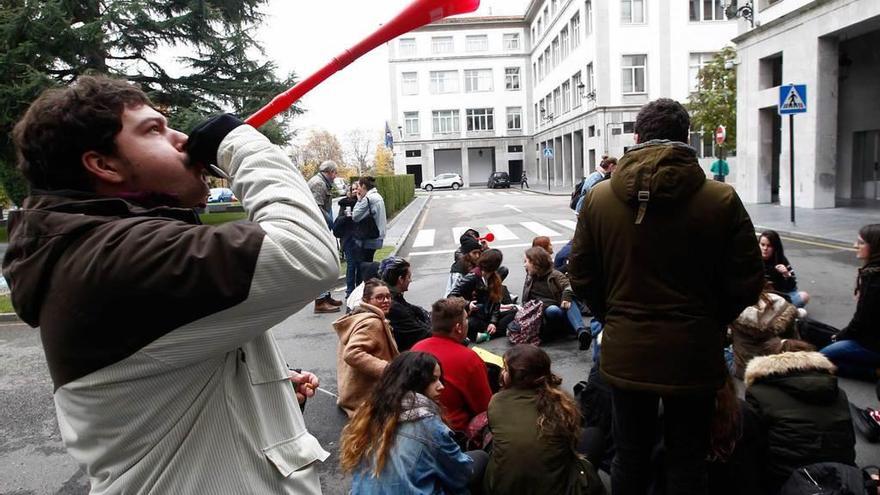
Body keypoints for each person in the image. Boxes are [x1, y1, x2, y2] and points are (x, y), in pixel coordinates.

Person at [3, 75, 339, 493]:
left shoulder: (99, 251)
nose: (182, 139)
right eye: (153, 130)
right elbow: (305, 252)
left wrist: (263, 390)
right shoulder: (119, 259)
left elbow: (164, 379)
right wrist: (240, 142)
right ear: (103, 165)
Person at [568, 97, 764, 494]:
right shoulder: (720, 199)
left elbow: (581, 275)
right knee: (687, 458)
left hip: (626, 351)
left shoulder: (600, 199)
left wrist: (615, 314)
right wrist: (711, 318)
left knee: (629, 453)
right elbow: (747, 276)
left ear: (637, 137)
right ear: (686, 138)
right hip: (694, 353)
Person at [340, 351, 487, 494]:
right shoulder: (428, 424)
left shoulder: (372, 412)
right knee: (480, 458)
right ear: (414, 382)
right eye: (433, 380)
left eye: (440, 379)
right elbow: (461, 474)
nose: (441, 386)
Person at [484, 344, 605, 495]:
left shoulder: (496, 401)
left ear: (515, 377)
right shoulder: (562, 405)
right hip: (556, 488)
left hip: (502, 488)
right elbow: (569, 449)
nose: (502, 372)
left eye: (506, 369)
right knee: (594, 435)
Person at [744, 351, 856, 493]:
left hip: (786, 476)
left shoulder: (757, 392)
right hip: (840, 473)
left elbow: (754, 441)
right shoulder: (838, 392)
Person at [411, 297, 492, 434]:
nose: (468, 322)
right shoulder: (469, 359)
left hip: (418, 425)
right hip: (454, 432)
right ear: (458, 328)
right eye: (466, 319)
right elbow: (484, 407)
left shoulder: (416, 348)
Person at [820, 224, 880, 380]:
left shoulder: (874, 280)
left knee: (820, 360)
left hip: (872, 345)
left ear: (874, 247)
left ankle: (874, 373)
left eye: (860, 243)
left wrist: (838, 337)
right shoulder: (873, 272)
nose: (855, 245)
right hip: (869, 337)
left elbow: (860, 321)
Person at [333, 279, 400, 417]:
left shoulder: (358, 317)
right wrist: (388, 369)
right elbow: (352, 353)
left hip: (352, 393)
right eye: (379, 297)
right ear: (366, 300)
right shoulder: (372, 323)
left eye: (388, 296)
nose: (386, 300)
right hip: (366, 397)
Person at [728, 285, 812, 379]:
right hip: (776, 363)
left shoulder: (733, 311)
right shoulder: (779, 302)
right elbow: (793, 336)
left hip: (744, 370)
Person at [522, 246, 591, 350]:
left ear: (535, 263)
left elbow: (569, 286)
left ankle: (581, 332)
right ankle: (576, 330)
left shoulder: (555, 274)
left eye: (526, 261)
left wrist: (566, 297)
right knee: (552, 310)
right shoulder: (530, 276)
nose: (524, 265)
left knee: (568, 301)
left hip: (560, 307)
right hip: (542, 314)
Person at [449, 248, 516, 343]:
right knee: (470, 323)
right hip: (474, 315)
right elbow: (451, 296)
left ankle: (485, 334)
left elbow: (496, 302)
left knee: (514, 313)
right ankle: (488, 333)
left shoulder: (494, 278)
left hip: (487, 315)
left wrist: (493, 322)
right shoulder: (472, 277)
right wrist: (467, 304)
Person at [309, 159, 344, 313]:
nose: (335, 176)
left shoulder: (322, 182)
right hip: (317, 229)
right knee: (321, 264)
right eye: (335, 173)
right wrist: (331, 222)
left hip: (321, 228)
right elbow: (317, 208)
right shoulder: (318, 183)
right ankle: (320, 301)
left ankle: (326, 296)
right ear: (330, 172)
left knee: (327, 262)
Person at [381, 257, 431, 351]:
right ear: (400, 279)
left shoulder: (394, 298)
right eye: (409, 277)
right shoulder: (393, 307)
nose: (410, 280)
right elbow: (421, 333)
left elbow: (414, 310)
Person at [758, 230, 810, 308]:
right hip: (761, 297)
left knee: (804, 296)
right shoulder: (753, 260)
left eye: (769, 246)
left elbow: (792, 287)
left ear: (775, 247)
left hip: (781, 296)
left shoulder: (781, 260)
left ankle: (783, 311)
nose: (765, 248)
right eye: (762, 245)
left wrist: (786, 274)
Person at [352, 175, 387, 266]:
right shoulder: (377, 196)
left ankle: (369, 280)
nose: (357, 189)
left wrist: (359, 200)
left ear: (363, 186)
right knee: (368, 262)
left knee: (365, 265)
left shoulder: (368, 199)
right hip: (378, 235)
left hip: (369, 238)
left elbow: (355, 216)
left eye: (358, 186)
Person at [337, 182, 361, 299]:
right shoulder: (345, 204)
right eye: (353, 189)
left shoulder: (363, 202)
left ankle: (360, 289)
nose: (355, 191)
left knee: (360, 265)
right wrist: (346, 217)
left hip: (361, 238)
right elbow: (339, 220)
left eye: (357, 189)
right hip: (348, 239)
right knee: (351, 265)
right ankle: (350, 291)